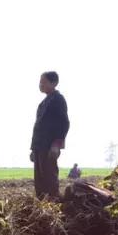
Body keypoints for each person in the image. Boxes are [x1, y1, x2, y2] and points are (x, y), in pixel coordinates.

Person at [30, 71, 69, 200]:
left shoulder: (58, 99)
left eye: (44, 82)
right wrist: (33, 149)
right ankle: (43, 209)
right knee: (39, 181)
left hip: (49, 146)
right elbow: (39, 127)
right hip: (39, 146)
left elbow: (64, 123)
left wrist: (56, 144)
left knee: (49, 179)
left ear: (54, 83)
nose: (40, 84)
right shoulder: (43, 103)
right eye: (40, 82)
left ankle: (55, 206)